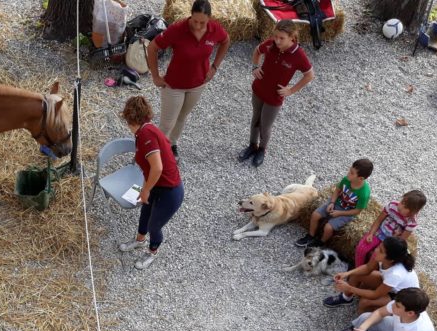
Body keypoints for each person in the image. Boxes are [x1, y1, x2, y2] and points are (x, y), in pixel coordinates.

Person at [147, 0, 230, 157]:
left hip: (198, 84)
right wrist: (156, 76)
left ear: (210, 19)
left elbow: (226, 41)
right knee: (166, 124)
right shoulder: (178, 29)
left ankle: (172, 145)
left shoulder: (215, 29)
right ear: (190, 16)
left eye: (202, 22)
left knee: (182, 117)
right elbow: (152, 47)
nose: (198, 26)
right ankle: (154, 154)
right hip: (174, 85)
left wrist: (214, 67)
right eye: (195, 21)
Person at [117, 95, 184, 270]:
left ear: (130, 119)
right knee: (145, 213)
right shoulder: (146, 130)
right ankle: (139, 240)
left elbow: (157, 168)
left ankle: (153, 251)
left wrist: (145, 190)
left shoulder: (145, 134)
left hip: (170, 191)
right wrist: (146, 188)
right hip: (156, 185)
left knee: (155, 225)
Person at [238, 20, 314, 167]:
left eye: (281, 38)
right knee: (255, 119)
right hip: (259, 89)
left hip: (275, 97)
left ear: (292, 38)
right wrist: (255, 66)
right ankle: (252, 145)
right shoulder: (270, 44)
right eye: (275, 36)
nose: (277, 41)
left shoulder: (298, 55)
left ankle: (262, 149)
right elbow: (257, 51)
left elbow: (309, 75)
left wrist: (291, 90)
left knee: (265, 125)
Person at [324, 236, 417, 312]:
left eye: (381, 251)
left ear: (391, 260)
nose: (376, 250)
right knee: (356, 274)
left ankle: (360, 328)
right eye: (379, 247)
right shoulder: (394, 255)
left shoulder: (396, 274)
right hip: (390, 284)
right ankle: (346, 298)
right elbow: (368, 268)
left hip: (400, 298)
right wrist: (347, 273)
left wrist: (350, 288)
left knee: (365, 302)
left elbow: (375, 295)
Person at [296, 158, 373, 248]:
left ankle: (321, 242)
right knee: (315, 215)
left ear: (360, 178)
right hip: (337, 202)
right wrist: (332, 202)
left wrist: (339, 213)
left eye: (352, 173)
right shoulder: (346, 180)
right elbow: (337, 191)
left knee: (328, 228)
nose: (348, 173)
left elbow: (357, 211)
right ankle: (310, 236)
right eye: (350, 170)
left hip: (348, 212)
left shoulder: (364, 193)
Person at [354, 190, 426, 268]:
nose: (400, 206)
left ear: (413, 211)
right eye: (402, 202)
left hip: (390, 242)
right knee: (361, 248)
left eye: (405, 207)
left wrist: (395, 237)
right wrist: (371, 234)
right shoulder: (392, 205)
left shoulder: (412, 222)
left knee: (375, 256)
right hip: (379, 233)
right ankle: (357, 268)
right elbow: (378, 220)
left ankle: (365, 273)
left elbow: (401, 240)